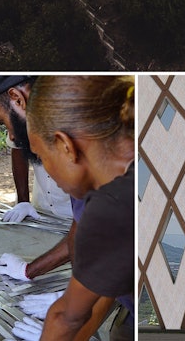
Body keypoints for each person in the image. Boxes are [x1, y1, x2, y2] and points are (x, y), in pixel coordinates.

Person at [11, 76, 134, 341]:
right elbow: (105, 281)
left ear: (66, 146)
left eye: (42, 156)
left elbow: (67, 316)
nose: (48, 173)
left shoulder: (111, 208)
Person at [0, 75, 72, 222]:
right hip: (45, 211)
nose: (11, 137)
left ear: (17, 98)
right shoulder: (29, 125)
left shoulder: (81, 125)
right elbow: (18, 148)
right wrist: (23, 201)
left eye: (2, 121)